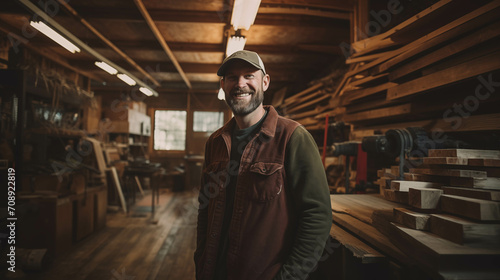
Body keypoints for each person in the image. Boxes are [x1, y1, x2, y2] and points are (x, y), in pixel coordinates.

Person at [194, 50, 332, 280]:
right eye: (232, 78)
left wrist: (290, 275)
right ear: (223, 84)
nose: (240, 84)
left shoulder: (293, 137)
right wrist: (201, 260)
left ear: (265, 82)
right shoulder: (215, 142)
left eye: (249, 75)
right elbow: (205, 208)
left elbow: (317, 215)